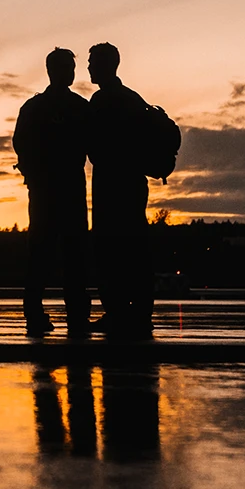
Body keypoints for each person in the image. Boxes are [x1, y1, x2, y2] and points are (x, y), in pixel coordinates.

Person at [13, 48, 91, 338]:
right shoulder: (80, 107)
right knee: (73, 253)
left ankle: (34, 312)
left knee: (41, 253)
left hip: (44, 190)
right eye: (69, 68)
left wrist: (33, 172)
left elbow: (20, 144)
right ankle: (77, 313)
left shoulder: (33, 108)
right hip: (69, 189)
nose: (72, 73)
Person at [86, 42, 155, 339]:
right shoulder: (132, 98)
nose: (88, 67)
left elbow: (92, 145)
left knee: (110, 249)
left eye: (92, 62)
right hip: (133, 184)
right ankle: (139, 313)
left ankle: (116, 312)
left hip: (111, 185)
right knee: (134, 249)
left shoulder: (101, 100)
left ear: (104, 65)